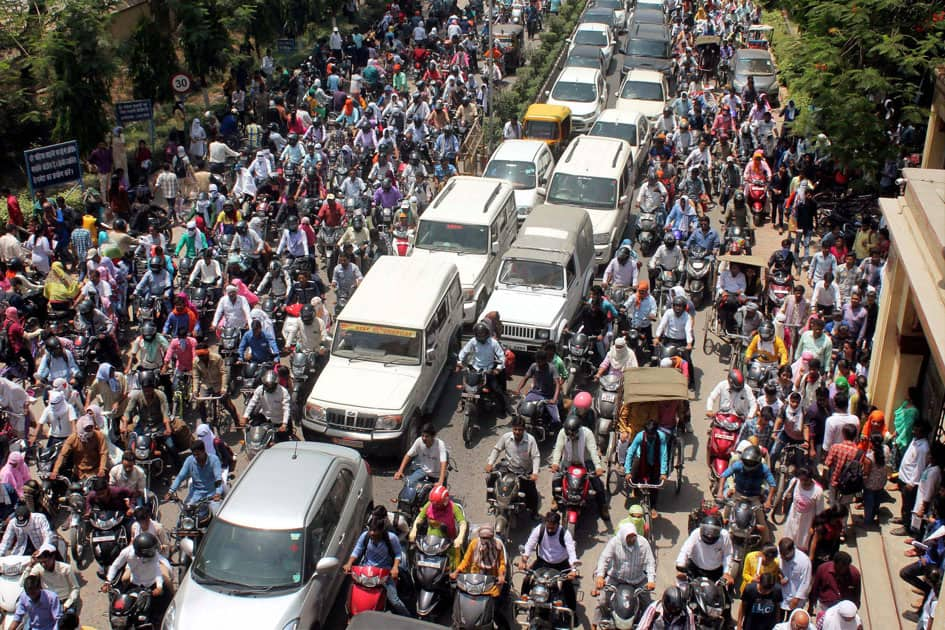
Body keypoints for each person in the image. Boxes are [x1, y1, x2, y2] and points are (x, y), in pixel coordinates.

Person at [343, 508, 412, 617]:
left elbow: (398, 554)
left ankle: (409, 618)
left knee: (394, 601)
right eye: (371, 533)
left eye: (375, 534)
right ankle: (349, 615)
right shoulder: (365, 536)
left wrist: (395, 568)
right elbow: (357, 550)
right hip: (366, 571)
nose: (372, 536)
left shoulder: (392, 538)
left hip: (384, 573)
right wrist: (349, 563)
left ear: (382, 530)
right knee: (351, 592)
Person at [593, 523, 656, 626]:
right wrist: (600, 576)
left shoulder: (643, 543)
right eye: (629, 537)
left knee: (648, 605)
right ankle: (595, 624)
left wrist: (651, 581)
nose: (632, 539)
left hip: (638, 580)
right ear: (623, 537)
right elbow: (604, 559)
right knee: (602, 600)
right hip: (616, 578)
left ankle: (646, 625)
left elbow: (650, 562)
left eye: (633, 536)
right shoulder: (614, 542)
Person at [551, 414, 610, 523]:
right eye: (569, 434)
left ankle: (603, 506)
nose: (571, 436)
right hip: (568, 461)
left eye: (573, 434)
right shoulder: (562, 433)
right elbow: (558, 449)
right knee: (556, 480)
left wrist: (598, 467)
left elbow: (593, 451)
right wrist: (555, 463)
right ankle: (556, 498)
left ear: (578, 429)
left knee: (597, 485)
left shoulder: (587, 433)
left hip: (586, 462)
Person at [519, 512, 579, 611]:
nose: (550, 530)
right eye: (548, 527)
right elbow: (529, 545)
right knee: (527, 579)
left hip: (561, 565)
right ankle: (523, 603)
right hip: (542, 562)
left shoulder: (565, 534)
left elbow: (572, 553)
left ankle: (572, 613)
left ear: (558, 525)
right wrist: (524, 559)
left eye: (553, 528)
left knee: (568, 586)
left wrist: (573, 569)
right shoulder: (539, 529)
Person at [718, 445, 776, 543]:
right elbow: (723, 476)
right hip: (737, 495)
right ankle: (719, 540)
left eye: (752, 462)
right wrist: (720, 492)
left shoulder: (764, 469)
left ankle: (766, 544)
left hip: (753, 498)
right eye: (747, 461)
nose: (749, 464)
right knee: (724, 517)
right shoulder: (738, 465)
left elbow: (772, 484)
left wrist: (768, 500)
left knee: (762, 523)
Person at [102, 533, 168, 620]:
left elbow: (158, 571)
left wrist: (159, 587)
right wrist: (108, 581)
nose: (153, 552)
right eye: (149, 551)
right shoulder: (127, 552)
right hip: (135, 584)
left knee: (161, 612)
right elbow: (115, 566)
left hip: (152, 586)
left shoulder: (154, 555)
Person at [486, 416, 541, 516]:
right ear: (512, 429)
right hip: (508, 468)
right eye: (515, 429)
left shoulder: (531, 440)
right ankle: (492, 503)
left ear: (524, 430)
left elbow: (536, 457)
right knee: (490, 479)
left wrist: (535, 473)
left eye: (520, 430)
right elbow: (497, 449)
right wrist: (490, 463)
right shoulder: (506, 437)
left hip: (524, 472)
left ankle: (534, 513)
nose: (517, 432)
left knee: (532, 492)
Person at [409, 484, 467, 568]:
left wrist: (460, 537)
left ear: (445, 501)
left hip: (448, 542)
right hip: (430, 542)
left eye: (438, 504)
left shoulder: (453, 507)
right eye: (433, 504)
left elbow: (462, 523)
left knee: (454, 565)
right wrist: (414, 530)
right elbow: (419, 518)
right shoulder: (430, 505)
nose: (435, 506)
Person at [457, 322, 507, 413]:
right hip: (475, 369)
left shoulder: (493, 343)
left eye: (483, 334)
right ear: (476, 335)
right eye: (479, 335)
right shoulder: (473, 341)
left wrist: (498, 368)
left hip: (488, 370)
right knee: (466, 387)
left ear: (487, 333)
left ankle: (503, 408)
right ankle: (462, 403)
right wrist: (459, 362)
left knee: (496, 389)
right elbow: (463, 352)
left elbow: (502, 357)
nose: (481, 337)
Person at [19, 543, 80, 613]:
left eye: (45, 561)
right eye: (41, 562)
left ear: (52, 557)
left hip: (65, 602)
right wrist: (31, 564)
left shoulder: (66, 568)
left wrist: (66, 605)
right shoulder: (38, 568)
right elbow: (22, 583)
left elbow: (75, 588)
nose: (43, 565)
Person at [625, 420, 669, 517]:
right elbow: (630, 452)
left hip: (655, 460)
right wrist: (627, 471)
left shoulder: (661, 437)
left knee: (655, 484)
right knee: (633, 478)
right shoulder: (640, 436)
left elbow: (663, 454)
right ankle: (635, 491)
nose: (650, 437)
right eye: (648, 435)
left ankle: (653, 507)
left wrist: (663, 472)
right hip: (641, 458)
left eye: (652, 435)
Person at [895, 422, 932, 536]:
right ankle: (903, 518)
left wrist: (912, 483)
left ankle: (906, 527)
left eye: (917, 430)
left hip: (910, 481)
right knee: (904, 502)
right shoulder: (915, 440)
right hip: (904, 476)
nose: (913, 432)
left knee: (908, 505)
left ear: (923, 433)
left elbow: (919, 467)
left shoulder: (924, 448)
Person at [450, 524, 507, 598]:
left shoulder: (498, 546)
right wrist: (456, 571)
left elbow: (501, 564)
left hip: (492, 578)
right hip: (475, 576)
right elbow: (466, 561)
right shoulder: (474, 544)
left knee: (496, 595)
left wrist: (501, 575)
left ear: (492, 537)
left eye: (488, 538)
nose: (485, 540)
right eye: (483, 538)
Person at [675, 515, 735, 584]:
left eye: (714, 532)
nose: (710, 535)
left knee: (725, 591)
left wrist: (726, 572)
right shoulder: (695, 534)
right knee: (681, 590)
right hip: (695, 570)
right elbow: (685, 550)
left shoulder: (725, 536)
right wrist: (681, 566)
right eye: (707, 531)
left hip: (716, 573)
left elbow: (728, 554)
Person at [515, 349, 563, 428]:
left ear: (545, 360)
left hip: (548, 396)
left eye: (540, 362)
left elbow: (558, 384)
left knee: (556, 420)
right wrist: (518, 389)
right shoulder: (534, 366)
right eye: (537, 361)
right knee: (521, 410)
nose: (538, 364)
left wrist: (554, 399)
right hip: (534, 393)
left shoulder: (552, 368)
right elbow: (525, 378)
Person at [165, 440, 222, 506]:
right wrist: (170, 492)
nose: (196, 457)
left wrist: (218, 493)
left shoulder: (214, 460)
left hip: (212, 492)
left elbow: (218, 478)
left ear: (204, 451)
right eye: (194, 455)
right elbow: (180, 477)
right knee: (186, 511)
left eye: (198, 454)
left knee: (216, 511)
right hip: (196, 493)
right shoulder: (189, 460)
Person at [780, 468, 824, 552]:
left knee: (801, 546)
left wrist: (814, 527)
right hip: (793, 519)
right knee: (788, 542)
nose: (803, 482)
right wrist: (783, 505)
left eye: (805, 480)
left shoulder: (818, 491)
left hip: (806, 524)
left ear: (811, 478)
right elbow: (786, 494)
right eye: (801, 480)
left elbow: (820, 512)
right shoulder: (795, 482)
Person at [51, 417, 107, 482]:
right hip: (78, 473)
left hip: (95, 472)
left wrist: (101, 469)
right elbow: (62, 455)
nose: (89, 430)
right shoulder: (73, 438)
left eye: (91, 427)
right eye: (87, 428)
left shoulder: (99, 436)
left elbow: (103, 453)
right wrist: (55, 471)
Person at [394, 423, 449, 487]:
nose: (424, 438)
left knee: (437, 495)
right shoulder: (419, 441)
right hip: (423, 471)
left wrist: (441, 481)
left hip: (437, 474)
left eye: (427, 436)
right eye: (422, 435)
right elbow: (408, 455)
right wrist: (400, 471)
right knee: (408, 483)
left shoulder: (440, 444)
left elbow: (443, 463)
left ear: (433, 436)